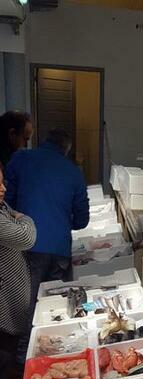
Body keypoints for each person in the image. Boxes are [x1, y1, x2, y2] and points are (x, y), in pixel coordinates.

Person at [6, 128, 90, 359]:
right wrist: (61, 220)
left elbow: (7, 200)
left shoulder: (21, 159)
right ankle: (50, 359)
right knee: (52, 307)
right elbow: (82, 220)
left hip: (26, 245)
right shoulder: (73, 172)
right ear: (66, 150)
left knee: (27, 305)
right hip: (59, 250)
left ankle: (23, 361)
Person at [0, 165, 36, 379]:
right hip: (3, 309)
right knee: (3, 358)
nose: (3, 188)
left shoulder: (2, 207)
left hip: (10, 305)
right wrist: (25, 219)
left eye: (3, 182)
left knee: (8, 356)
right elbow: (26, 238)